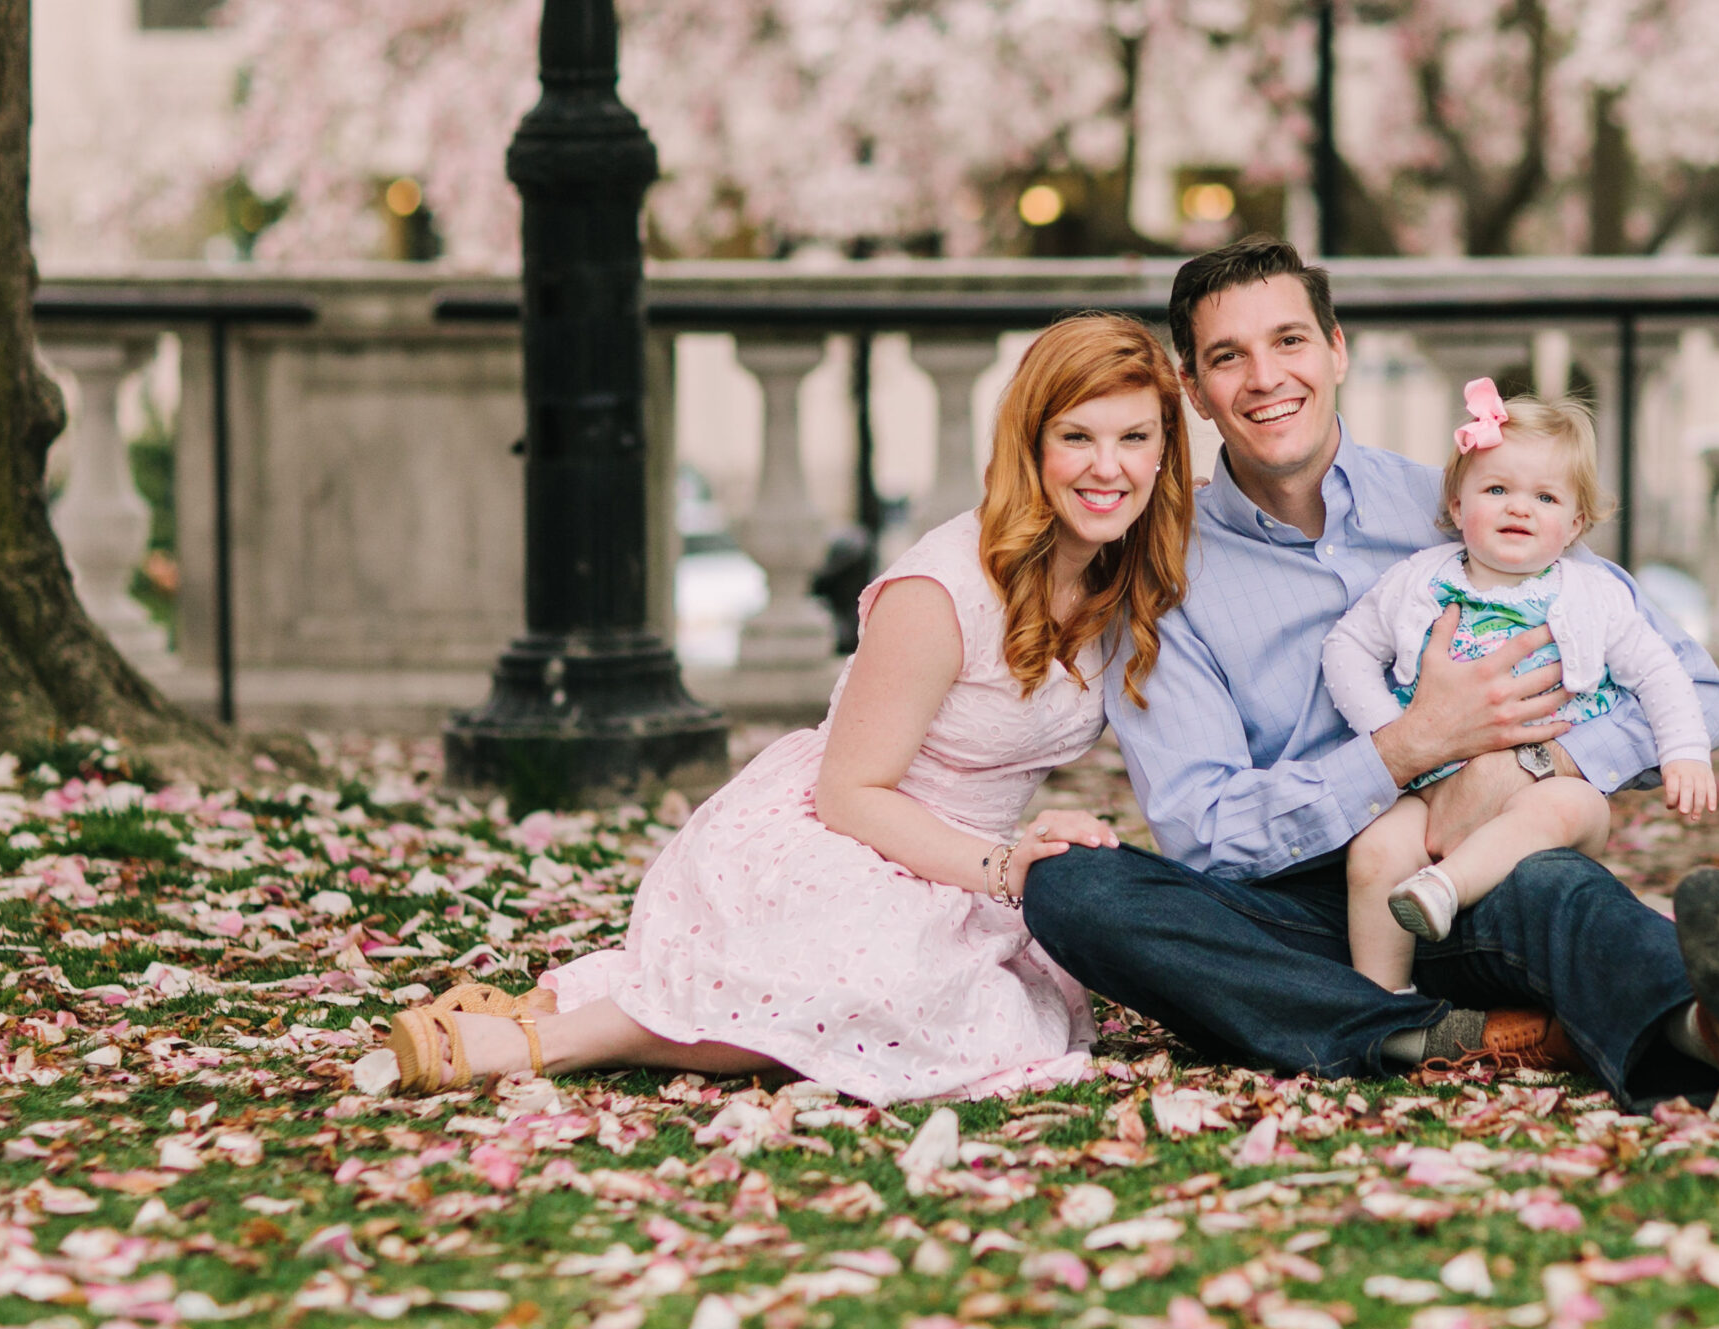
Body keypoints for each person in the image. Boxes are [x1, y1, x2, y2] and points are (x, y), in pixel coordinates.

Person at [1023, 237, 1719, 1126]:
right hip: (1277, 921)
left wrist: (1532, 765)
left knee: (1556, 890)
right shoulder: (1162, 576)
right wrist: (1406, 748)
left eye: (1290, 341)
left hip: (1457, 876)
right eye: (1228, 356)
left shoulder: (1473, 501)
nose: (1265, 377)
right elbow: (1205, 834)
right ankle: (1433, 1032)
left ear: (1338, 350)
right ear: (1194, 386)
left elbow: (1695, 689)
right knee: (1076, 890)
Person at [384, 313, 1193, 1103]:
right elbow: (850, 792)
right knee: (885, 990)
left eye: (1134, 438)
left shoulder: (1122, 578)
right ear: (1032, 443)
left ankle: (576, 1015)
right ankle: (547, 1041)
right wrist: (1002, 868)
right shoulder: (943, 589)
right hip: (845, 834)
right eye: (1077, 436)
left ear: (1165, 450)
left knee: (966, 1010)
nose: (1107, 466)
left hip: (970, 867)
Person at [1323, 380, 1716, 993]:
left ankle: (1445, 885)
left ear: (1576, 522)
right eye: (1497, 489)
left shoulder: (1593, 597)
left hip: (1543, 786)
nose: (1518, 507)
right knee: (1374, 852)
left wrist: (1685, 751)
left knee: (1567, 806)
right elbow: (1346, 647)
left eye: (1545, 496)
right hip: (1427, 789)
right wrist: (1388, 731)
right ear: (1457, 506)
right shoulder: (1417, 583)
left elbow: (1661, 672)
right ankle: (1381, 1001)